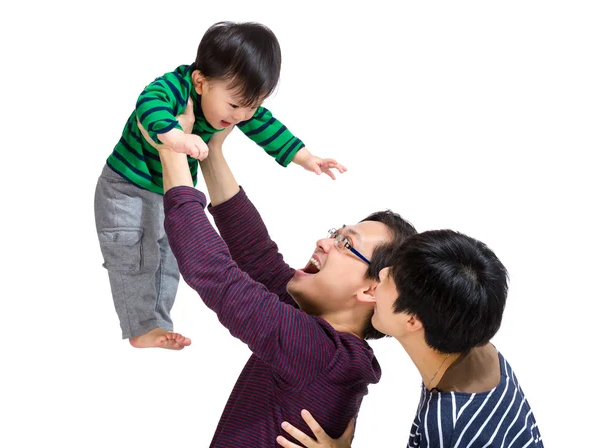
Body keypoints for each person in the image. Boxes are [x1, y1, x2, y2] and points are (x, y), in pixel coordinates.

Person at [144, 113, 417, 446]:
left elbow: (215, 275)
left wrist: (171, 153)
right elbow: (257, 256)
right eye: (336, 233)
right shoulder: (323, 338)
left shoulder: (321, 355)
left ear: (371, 289)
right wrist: (213, 150)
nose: (324, 242)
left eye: (346, 244)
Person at [94, 21, 341, 349]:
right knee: (134, 257)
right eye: (235, 105)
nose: (241, 116)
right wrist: (176, 136)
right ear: (200, 82)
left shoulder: (240, 108)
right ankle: (141, 326)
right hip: (126, 188)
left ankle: (158, 322)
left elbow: (268, 127)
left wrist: (306, 157)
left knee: (169, 258)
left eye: (251, 106)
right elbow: (148, 104)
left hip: (164, 194)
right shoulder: (174, 88)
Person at [275, 231, 544, 447]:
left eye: (391, 278)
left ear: (412, 319)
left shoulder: (446, 426)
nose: (380, 273)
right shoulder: (480, 350)